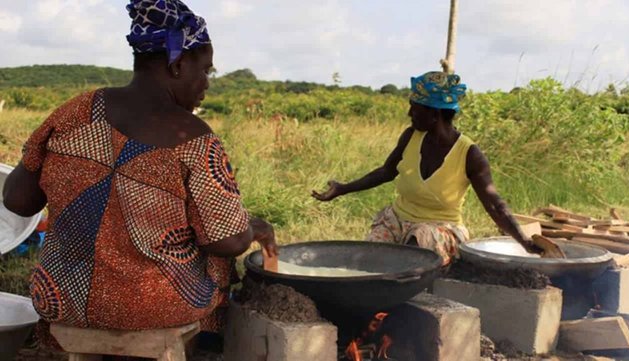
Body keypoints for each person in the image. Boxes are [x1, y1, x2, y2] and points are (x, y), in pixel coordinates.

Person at [2, 0, 276, 340]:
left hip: (60, 298)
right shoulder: (193, 137)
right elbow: (229, 241)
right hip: (154, 306)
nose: (206, 83)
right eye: (205, 70)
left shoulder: (73, 113)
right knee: (217, 261)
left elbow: (17, 200)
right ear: (178, 64)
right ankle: (203, 344)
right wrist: (254, 229)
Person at [312, 71, 537, 265]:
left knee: (417, 246)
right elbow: (386, 172)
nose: (410, 115)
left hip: (440, 229)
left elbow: (495, 206)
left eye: (414, 109)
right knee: (372, 257)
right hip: (398, 220)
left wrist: (524, 241)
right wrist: (343, 189)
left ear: (434, 115)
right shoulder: (411, 137)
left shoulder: (469, 155)